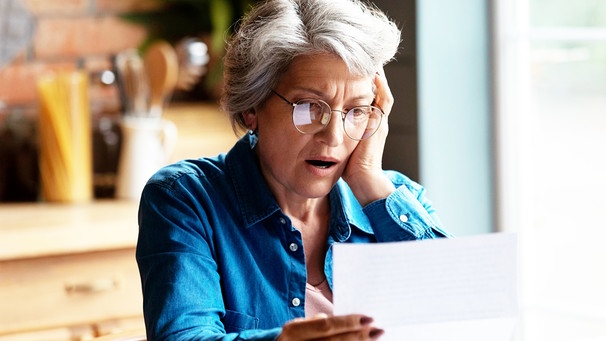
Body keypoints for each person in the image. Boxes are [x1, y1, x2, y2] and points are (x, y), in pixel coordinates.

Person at [136, 0, 451, 340]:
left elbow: (460, 314)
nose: (334, 136)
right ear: (251, 108)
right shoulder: (186, 200)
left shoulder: (393, 199)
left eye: (356, 111)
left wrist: (367, 177)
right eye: (309, 107)